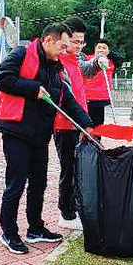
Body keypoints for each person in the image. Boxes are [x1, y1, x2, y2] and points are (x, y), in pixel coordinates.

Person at [0, 22, 94, 254]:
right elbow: (1, 78)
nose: (65, 51)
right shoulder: (22, 54)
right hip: (16, 131)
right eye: (62, 46)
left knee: (39, 183)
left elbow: (67, 99)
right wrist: (33, 88)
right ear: (49, 40)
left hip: (40, 135)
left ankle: (36, 228)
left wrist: (86, 125)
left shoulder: (55, 67)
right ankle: (8, 232)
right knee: (16, 184)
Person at [54, 16, 106, 231]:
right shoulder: (58, 63)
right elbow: (67, 100)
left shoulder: (75, 59)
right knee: (69, 170)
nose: (78, 46)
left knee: (78, 169)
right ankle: (66, 213)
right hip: (64, 125)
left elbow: (87, 68)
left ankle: (75, 208)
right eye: (75, 42)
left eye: (82, 42)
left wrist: (98, 61)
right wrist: (84, 124)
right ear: (64, 40)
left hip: (78, 124)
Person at [83, 39, 125, 127]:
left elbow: (121, 59)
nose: (101, 50)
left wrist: (107, 54)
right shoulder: (88, 59)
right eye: (99, 48)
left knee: (99, 123)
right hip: (88, 95)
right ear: (94, 49)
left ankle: (97, 135)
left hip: (102, 96)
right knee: (87, 122)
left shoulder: (111, 61)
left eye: (104, 48)